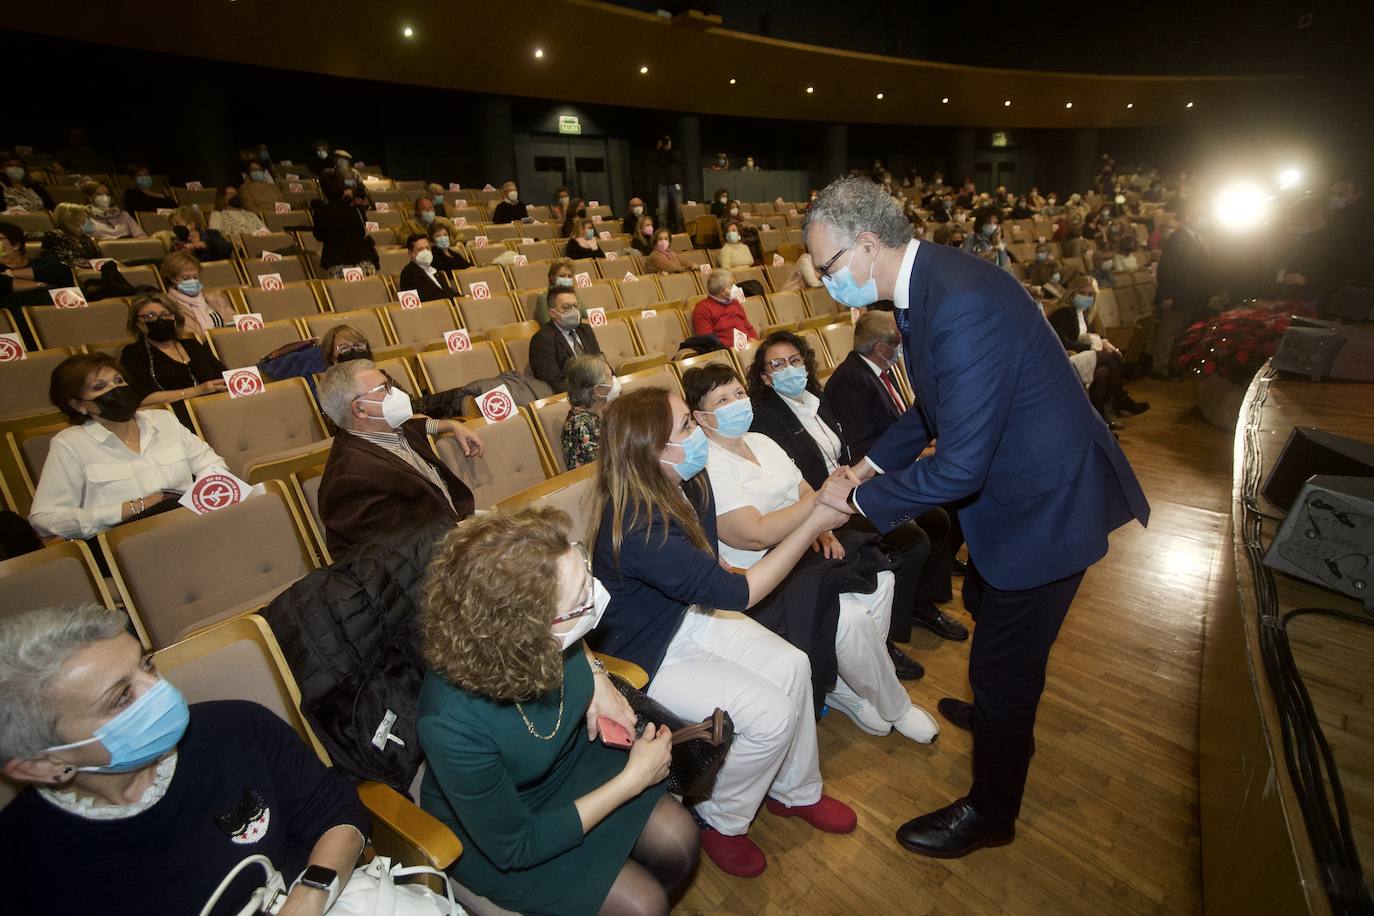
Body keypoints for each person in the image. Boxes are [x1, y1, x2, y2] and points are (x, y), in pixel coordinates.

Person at [804, 176, 1149, 858]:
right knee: (989, 609)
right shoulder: (926, 284)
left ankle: (991, 812)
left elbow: (959, 467)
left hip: (1045, 509)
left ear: (867, 245)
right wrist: (866, 467)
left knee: (1004, 669)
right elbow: (930, 412)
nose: (821, 282)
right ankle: (997, 719)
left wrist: (857, 504)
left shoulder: (957, 303)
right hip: (1023, 492)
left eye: (826, 267)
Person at [589, 387, 858, 878]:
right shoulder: (638, 525)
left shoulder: (690, 479)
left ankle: (794, 792)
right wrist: (817, 517)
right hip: (648, 652)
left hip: (687, 617)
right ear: (653, 451)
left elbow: (710, 560)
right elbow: (744, 594)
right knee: (771, 713)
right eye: (686, 428)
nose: (698, 435)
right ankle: (720, 819)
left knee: (795, 664)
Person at [0, 604, 370, 916]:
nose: (159, 689)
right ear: (41, 765)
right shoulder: (23, 860)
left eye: (146, 665)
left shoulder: (240, 728)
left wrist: (311, 892)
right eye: (121, 697)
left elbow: (334, 810)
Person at [417, 508, 696, 915]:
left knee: (680, 841)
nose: (597, 595)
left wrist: (596, 673)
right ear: (526, 631)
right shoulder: (450, 721)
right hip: (510, 824)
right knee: (644, 905)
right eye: (582, 598)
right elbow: (517, 845)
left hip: (567, 759)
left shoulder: (545, 634)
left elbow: (574, 637)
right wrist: (633, 780)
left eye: (584, 571)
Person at [682, 363, 939, 743]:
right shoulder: (706, 467)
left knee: (881, 579)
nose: (736, 403)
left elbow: (803, 489)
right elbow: (755, 534)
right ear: (702, 418)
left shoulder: (763, 441)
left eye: (738, 394)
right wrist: (819, 511)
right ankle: (895, 706)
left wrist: (817, 525)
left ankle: (848, 688)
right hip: (764, 573)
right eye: (722, 400)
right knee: (848, 619)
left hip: (806, 551)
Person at [753, 324, 966, 664]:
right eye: (777, 365)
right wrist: (820, 520)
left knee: (937, 517)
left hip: (852, 486)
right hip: (823, 506)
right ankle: (887, 641)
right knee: (913, 540)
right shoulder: (764, 420)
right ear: (765, 378)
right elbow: (784, 482)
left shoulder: (815, 399)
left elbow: (845, 450)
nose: (789, 369)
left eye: (795, 360)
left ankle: (921, 605)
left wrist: (866, 479)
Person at [29, 354, 233, 540]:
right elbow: (44, 519)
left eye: (119, 381)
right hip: (128, 541)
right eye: (100, 387)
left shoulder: (163, 420)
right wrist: (130, 508)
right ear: (77, 404)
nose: (116, 390)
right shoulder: (70, 444)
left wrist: (207, 497)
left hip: (192, 523)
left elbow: (211, 465)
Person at [315, 359, 481, 556]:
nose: (396, 393)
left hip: (456, 535)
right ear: (360, 409)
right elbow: (399, 556)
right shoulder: (350, 481)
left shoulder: (390, 428)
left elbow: (416, 425)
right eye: (384, 388)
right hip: (435, 563)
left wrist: (451, 425)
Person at [1047, 279, 1149, 426]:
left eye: (1090, 294)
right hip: (1065, 359)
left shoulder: (1084, 313)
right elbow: (1061, 343)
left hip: (1080, 356)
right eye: (1082, 293)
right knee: (1110, 357)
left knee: (1103, 372)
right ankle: (1120, 400)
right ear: (1072, 293)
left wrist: (1103, 341)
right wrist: (1093, 347)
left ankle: (1101, 420)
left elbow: (1088, 334)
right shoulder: (1064, 312)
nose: (1086, 297)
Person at [119, 295, 228, 424]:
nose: (160, 320)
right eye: (150, 316)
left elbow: (224, 377)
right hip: (172, 418)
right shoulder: (134, 352)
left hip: (217, 409)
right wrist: (198, 390)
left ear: (175, 318)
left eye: (166, 315)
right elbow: (142, 398)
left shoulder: (192, 345)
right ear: (137, 323)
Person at [1149, 202, 1213, 378]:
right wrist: (1166, 295)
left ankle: (1172, 366)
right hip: (1175, 295)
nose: (1204, 220)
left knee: (1180, 334)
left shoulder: (1193, 237)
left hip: (1188, 295)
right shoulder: (1178, 238)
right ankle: (1159, 368)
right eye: (1200, 215)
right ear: (1189, 217)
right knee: (1169, 334)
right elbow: (1167, 268)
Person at [530, 287, 603, 393]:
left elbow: (599, 361)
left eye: (575, 306)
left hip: (597, 387)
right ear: (552, 313)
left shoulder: (585, 329)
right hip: (572, 394)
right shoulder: (542, 339)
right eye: (566, 307)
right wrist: (586, 391)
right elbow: (553, 380)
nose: (573, 311)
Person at [311, 172, 378, 279]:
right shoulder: (355, 208)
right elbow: (362, 232)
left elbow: (318, 235)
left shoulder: (320, 211)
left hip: (337, 263)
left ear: (323, 191)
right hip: (363, 260)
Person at [160, 251, 236, 339]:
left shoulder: (214, 298)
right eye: (185, 278)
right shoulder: (167, 306)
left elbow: (234, 321)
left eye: (195, 277)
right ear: (172, 278)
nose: (192, 281)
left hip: (227, 341)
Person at [561, 355, 618, 469]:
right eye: (610, 377)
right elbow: (602, 468)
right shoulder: (580, 425)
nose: (615, 381)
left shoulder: (604, 412)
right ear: (598, 390)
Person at [692, 269, 756, 347]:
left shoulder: (735, 302)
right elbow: (708, 342)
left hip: (749, 346)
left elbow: (748, 327)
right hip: (728, 352)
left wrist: (755, 342)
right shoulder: (702, 309)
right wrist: (739, 345)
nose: (735, 287)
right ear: (723, 291)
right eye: (732, 285)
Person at [40, 203, 100, 271]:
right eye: (87, 217)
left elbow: (96, 260)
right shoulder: (54, 236)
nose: (90, 221)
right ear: (72, 219)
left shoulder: (86, 239)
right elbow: (61, 262)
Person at [160, 206, 233, 263]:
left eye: (178, 224)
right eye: (174, 225)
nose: (175, 227)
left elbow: (226, 249)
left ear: (192, 225)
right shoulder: (176, 241)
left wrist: (205, 244)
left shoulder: (212, 233)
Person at [396, 233, 454, 302]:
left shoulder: (435, 271)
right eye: (420, 249)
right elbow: (426, 297)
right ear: (410, 253)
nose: (425, 252)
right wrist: (451, 298)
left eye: (427, 248)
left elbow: (449, 292)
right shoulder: (409, 273)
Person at [81, 181, 146, 240]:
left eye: (107, 194)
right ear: (90, 198)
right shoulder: (85, 217)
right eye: (99, 194)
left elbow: (141, 236)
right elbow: (87, 240)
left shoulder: (124, 215)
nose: (105, 197)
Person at [646, 136, 682, 232]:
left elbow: (677, 158)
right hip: (662, 184)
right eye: (664, 142)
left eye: (667, 142)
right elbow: (652, 161)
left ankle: (680, 231)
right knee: (662, 211)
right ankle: (662, 232)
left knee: (679, 210)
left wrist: (668, 149)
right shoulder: (660, 154)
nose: (665, 144)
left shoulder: (675, 151)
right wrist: (658, 149)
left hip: (675, 183)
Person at [532, 258, 581, 325]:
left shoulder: (573, 295)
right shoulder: (543, 297)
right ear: (552, 277)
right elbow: (547, 323)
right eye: (562, 275)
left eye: (569, 276)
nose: (566, 278)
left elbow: (585, 315)